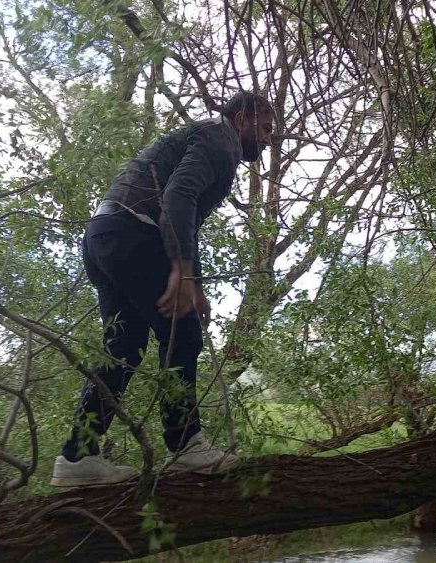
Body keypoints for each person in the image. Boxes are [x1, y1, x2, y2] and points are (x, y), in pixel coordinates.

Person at [50, 92, 274, 486]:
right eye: (267, 128)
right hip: (135, 234)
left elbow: (182, 219)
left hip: (104, 236)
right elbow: (178, 197)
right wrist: (184, 271)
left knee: (124, 348)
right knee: (182, 334)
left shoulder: (204, 136)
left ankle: (78, 456)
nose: (269, 140)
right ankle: (185, 445)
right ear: (242, 120)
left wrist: (194, 283)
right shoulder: (222, 140)